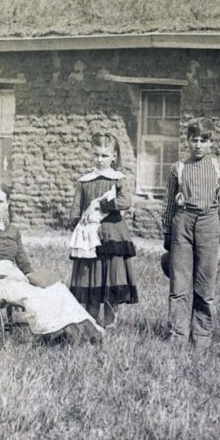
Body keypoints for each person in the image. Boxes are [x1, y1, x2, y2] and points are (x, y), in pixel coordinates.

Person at [0, 183, 103, 345]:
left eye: (0, 202)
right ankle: (50, 336)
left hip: (15, 276)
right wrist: (7, 276)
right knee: (33, 295)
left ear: (7, 204)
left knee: (57, 289)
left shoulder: (13, 230)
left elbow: (24, 265)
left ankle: (85, 333)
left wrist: (37, 278)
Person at [162, 117, 220, 349]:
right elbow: (169, 203)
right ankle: (177, 337)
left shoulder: (218, 166)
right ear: (187, 142)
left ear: (211, 143)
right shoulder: (177, 168)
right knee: (179, 285)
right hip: (182, 223)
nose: (198, 145)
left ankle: (201, 338)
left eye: (204, 140)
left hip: (209, 223)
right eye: (194, 140)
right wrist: (167, 234)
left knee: (204, 283)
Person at [67, 133, 138, 326]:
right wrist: (76, 224)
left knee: (111, 276)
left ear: (114, 156)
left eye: (104, 156)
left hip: (112, 233)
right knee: (91, 275)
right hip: (89, 235)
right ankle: (90, 322)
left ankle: (110, 322)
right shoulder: (85, 180)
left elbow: (125, 201)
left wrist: (102, 206)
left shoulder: (118, 179)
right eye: (96, 155)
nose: (99, 160)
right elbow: (76, 205)